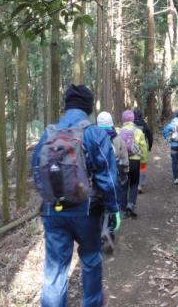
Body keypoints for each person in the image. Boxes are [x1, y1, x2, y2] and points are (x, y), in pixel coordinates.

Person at [31, 85, 120, 307]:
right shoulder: (94, 133)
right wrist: (113, 207)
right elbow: (107, 177)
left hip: (52, 211)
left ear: (66, 105)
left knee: (55, 269)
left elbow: (36, 170)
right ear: (89, 107)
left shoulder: (48, 133)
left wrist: (51, 199)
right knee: (90, 260)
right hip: (86, 211)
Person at [97, 111, 129, 213]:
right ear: (111, 124)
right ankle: (118, 209)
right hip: (115, 168)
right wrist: (126, 167)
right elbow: (124, 154)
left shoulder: (94, 137)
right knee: (118, 188)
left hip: (99, 169)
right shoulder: (117, 138)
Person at [118, 110, 148, 218]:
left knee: (123, 184)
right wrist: (144, 160)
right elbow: (143, 147)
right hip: (135, 161)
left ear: (123, 119)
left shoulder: (120, 131)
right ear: (132, 119)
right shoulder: (138, 131)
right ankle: (131, 204)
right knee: (134, 183)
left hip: (123, 161)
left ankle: (122, 209)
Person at [133, 109, 153, 194]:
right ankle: (140, 185)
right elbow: (150, 136)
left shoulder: (131, 125)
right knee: (143, 167)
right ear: (141, 115)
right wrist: (150, 147)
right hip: (143, 149)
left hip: (132, 149)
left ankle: (134, 183)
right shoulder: (145, 125)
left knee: (134, 167)